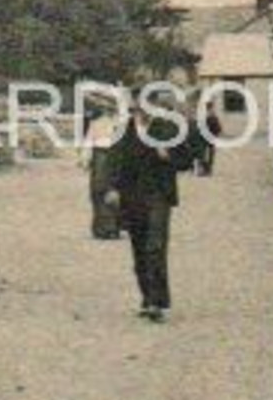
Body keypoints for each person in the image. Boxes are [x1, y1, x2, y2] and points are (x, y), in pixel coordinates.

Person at [105, 84, 197, 323]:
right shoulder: (125, 130)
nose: (140, 111)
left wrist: (169, 156)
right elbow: (115, 160)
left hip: (159, 195)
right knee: (138, 249)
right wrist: (112, 188)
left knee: (155, 247)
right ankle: (147, 298)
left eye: (145, 106)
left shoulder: (168, 128)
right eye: (136, 106)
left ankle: (157, 302)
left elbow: (187, 159)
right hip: (131, 196)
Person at [77, 91, 125, 239]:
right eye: (106, 107)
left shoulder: (121, 124)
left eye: (110, 107)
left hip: (116, 157)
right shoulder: (96, 123)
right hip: (100, 157)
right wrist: (85, 159)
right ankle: (102, 227)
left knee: (115, 189)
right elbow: (89, 141)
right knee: (98, 190)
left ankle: (113, 227)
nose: (108, 110)